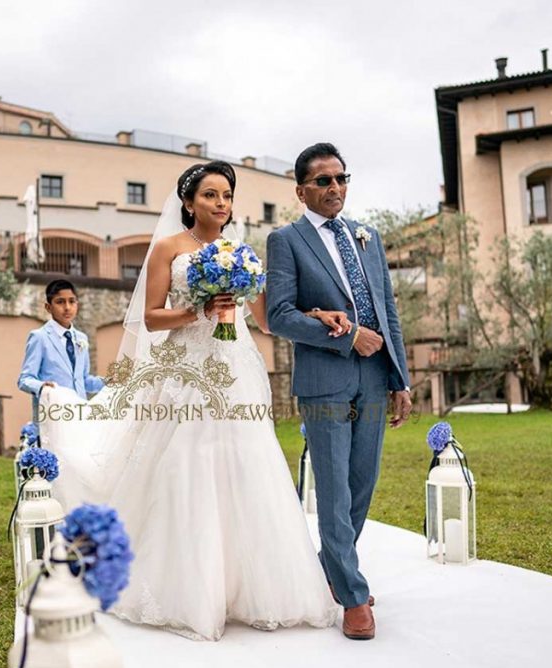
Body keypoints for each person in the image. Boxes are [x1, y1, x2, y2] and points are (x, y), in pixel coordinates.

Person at [38, 160, 340, 641]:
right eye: (210, 195)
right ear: (188, 201)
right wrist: (196, 311)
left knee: (246, 464)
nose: (221, 204)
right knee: (185, 463)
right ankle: (189, 586)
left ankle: (248, 585)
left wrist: (313, 314)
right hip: (185, 371)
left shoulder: (239, 252)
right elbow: (151, 318)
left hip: (234, 368)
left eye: (226, 196)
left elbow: (264, 317)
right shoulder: (167, 249)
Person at [266, 143, 412, 641]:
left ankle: (334, 567)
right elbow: (278, 314)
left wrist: (401, 378)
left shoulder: (367, 237)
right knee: (331, 487)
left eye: (341, 179)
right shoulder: (286, 240)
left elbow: (387, 311)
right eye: (324, 181)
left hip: (374, 376)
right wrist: (347, 335)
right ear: (302, 189)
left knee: (362, 480)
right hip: (325, 378)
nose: (335, 188)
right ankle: (352, 595)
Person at [17, 280, 105, 401]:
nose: (67, 307)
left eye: (72, 301)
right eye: (60, 302)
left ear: (77, 305)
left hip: (79, 412)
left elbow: (83, 380)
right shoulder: (39, 337)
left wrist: (107, 382)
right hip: (51, 412)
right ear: (48, 307)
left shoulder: (81, 338)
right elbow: (24, 379)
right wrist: (41, 386)